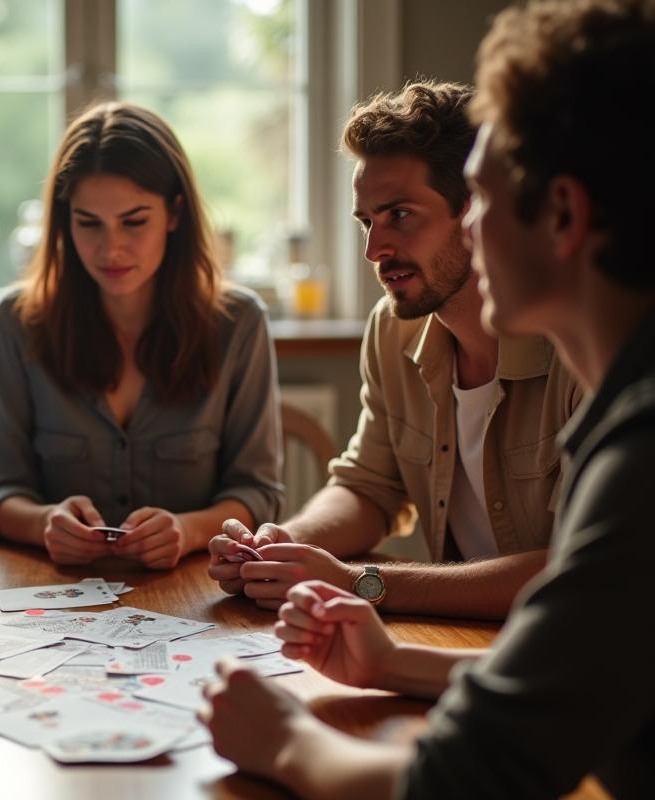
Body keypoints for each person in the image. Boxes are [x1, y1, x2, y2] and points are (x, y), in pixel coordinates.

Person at [201, 0, 655, 796]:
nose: (379, 247)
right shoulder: (626, 412)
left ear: (563, 215)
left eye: (478, 201)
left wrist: (285, 742)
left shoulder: (641, 451)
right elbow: (563, 691)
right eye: (366, 221)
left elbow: (466, 773)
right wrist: (387, 656)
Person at [208, 80, 581, 618]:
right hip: (465, 642)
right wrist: (278, 547)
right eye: (367, 221)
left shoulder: (579, 346)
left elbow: (579, 568)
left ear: (475, 211)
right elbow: (369, 489)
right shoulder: (392, 328)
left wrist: (359, 582)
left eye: (400, 215)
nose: (373, 249)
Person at [0, 102, 284, 569]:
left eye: (134, 222)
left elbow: (258, 493)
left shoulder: (238, 323)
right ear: (63, 220)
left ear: (175, 213)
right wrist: (43, 523)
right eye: (88, 223)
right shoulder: (17, 322)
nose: (110, 248)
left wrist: (189, 530)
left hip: (195, 593)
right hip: (52, 594)